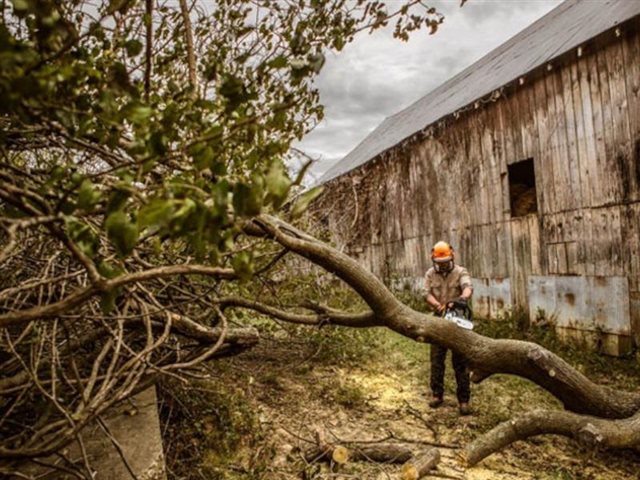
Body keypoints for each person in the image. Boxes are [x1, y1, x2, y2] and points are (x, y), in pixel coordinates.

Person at [424, 241, 473, 415]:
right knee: (437, 360)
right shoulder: (430, 274)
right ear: (434, 261)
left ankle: (464, 400)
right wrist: (437, 305)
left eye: (445, 261)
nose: (443, 265)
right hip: (438, 320)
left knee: (460, 362)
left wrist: (461, 300)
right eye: (440, 262)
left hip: (457, 320)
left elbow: (468, 287)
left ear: (451, 257)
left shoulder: (460, 271)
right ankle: (437, 395)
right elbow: (426, 293)